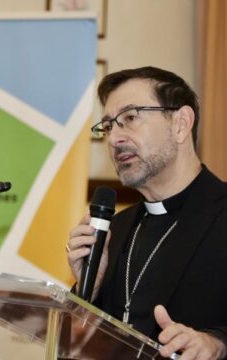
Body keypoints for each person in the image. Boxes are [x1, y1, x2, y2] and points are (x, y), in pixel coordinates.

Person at [67, 66, 227, 360]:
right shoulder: (114, 229)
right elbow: (78, 347)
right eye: (108, 126)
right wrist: (88, 291)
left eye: (130, 118)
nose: (114, 138)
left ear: (181, 124)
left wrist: (217, 346)